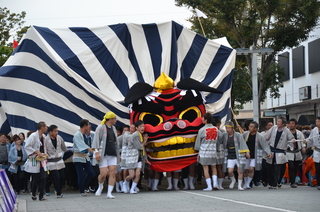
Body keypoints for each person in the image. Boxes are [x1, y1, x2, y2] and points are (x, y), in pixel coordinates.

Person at [93, 111, 120, 199]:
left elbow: (116, 142)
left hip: (112, 153)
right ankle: (100, 186)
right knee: (103, 174)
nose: (116, 120)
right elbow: (96, 140)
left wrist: (119, 155)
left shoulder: (114, 129)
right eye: (115, 118)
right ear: (110, 119)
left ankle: (109, 193)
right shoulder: (101, 127)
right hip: (103, 153)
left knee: (112, 172)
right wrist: (96, 152)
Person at [264, 117, 295, 189]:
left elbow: (291, 138)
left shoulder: (287, 131)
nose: (277, 123)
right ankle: (271, 183)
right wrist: (259, 138)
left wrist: (293, 141)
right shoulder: (274, 128)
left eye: (279, 122)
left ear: (283, 124)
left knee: (277, 169)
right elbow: (266, 136)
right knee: (270, 168)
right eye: (277, 121)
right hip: (271, 151)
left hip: (280, 152)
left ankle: (275, 183)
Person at [220, 121, 250, 191]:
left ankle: (239, 185)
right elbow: (219, 140)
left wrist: (246, 152)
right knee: (230, 171)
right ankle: (233, 180)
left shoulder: (238, 135)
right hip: (230, 155)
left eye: (229, 128)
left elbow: (243, 143)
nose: (227, 129)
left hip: (238, 154)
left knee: (240, 170)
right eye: (226, 128)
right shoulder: (224, 135)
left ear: (232, 128)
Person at [194, 113, 220, 191]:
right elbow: (218, 141)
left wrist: (197, 149)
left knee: (205, 168)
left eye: (203, 118)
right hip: (213, 151)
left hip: (204, 151)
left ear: (206, 120)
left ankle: (209, 186)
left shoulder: (202, 130)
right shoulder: (216, 129)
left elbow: (198, 144)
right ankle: (215, 183)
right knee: (214, 167)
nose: (202, 119)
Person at [242, 121, 271, 189]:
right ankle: (245, 183)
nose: (249, 128)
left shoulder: (260, 136)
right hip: (246, 155)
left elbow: (265, 145)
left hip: (255, 155)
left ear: (255, 128)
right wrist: (245, 152)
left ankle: (248, 183)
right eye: (249, 126)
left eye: (251, 127)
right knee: (245, 170)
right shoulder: (245, 134)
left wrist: (268, 152)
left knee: (251, 169)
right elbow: (241, 143)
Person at [24, 122, 48, 201]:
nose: (47, 128)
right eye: (46, 127)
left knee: (43, 178)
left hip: (42, 160)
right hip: (34, 159)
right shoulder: (33, 136)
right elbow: (27, 146)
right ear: (42, 127)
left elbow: (44, 148)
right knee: (36, 179)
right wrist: (36, 151)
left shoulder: (44, 136)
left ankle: (41, 195)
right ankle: (33, 192)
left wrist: (45, 155)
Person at [123, 120, 148, 194]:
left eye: (143, 126)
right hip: (132, 157)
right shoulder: (135, 135)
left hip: (139, 157)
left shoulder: (140, 135)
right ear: (137, 128)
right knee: (131, 175)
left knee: (138, 174)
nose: (142, 128)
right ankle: (125, 183)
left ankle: (132, 189)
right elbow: (139, 146)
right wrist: (145, 141)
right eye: (141, 126)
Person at [44, 125, 68, 198]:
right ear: (50, 132)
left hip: (60, 161)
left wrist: (67, 151)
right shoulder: (45, 139)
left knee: (62, 177)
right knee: (56, 177)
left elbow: (64, 147)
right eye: (55, 131)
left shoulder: (59, 138)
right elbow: (44, 150)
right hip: (51, 161)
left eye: (57, 131)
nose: (57, 132)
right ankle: (58, 193)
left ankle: (58, 189)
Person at [73, 119, 95, 197]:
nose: (89, 126)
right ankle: (82, 191)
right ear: (85, 126)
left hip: (85, 157)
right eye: (88, 125)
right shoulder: (77, 135)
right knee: (81, 175)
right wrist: (90, 149)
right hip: (78, 157)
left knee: (90, 172)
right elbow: (81, 145)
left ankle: (85, 186)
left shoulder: (85, 134)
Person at [287, 118, 306, 188]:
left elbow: (302, 141)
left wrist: (303, 147)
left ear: (296, 125)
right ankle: (292, 182)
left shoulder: (299, 133)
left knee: (296, 168)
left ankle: (294, 180)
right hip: (289, 152)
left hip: (297, 152)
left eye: (293, 123)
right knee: (291, 167)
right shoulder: (286, 133)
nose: (291, 125)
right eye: (290, 123)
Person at [305, 116, 320, 190]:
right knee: (317, 168)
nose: (317, 123)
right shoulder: (314, 130)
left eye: (318, 122)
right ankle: (319, 183)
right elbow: (310, 139)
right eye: (316, 122)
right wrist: (306, 141)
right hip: (317, 151)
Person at [260, 121, 273, 187]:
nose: (270, 127)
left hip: (272, 153)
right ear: (266, 126)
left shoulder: (274, 133)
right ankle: (264, 180)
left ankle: (270, 180)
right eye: (269, 125)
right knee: (265, 167)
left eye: (271, 125)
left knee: (270, 168)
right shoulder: (262, 134)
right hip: (264, 154)